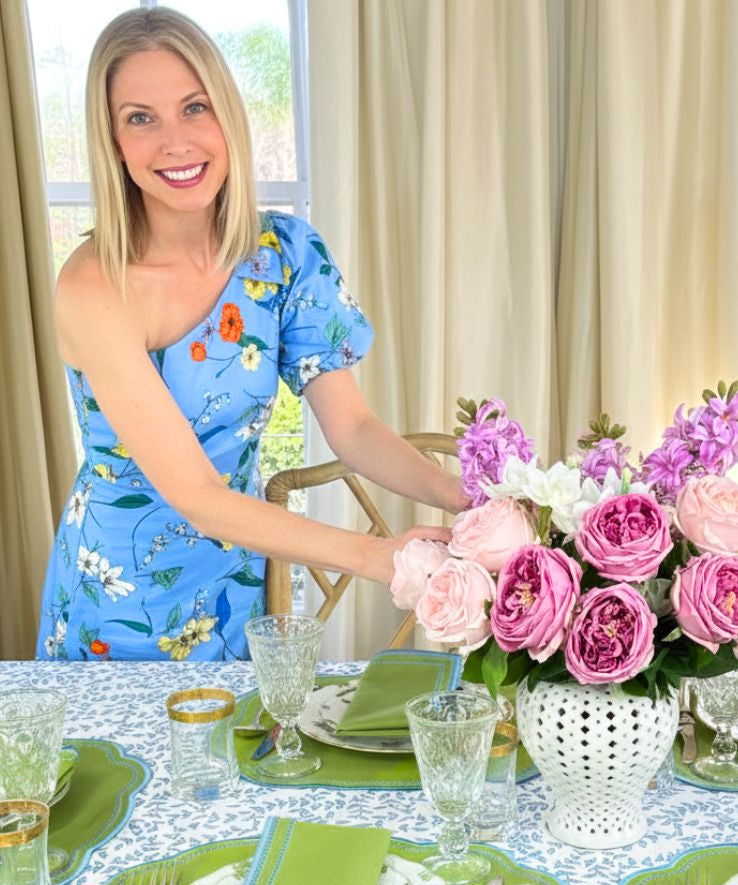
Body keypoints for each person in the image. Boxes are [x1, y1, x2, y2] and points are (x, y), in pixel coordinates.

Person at [36, 7, 466, 662]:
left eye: (195, 107)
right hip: (114, 608)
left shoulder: (284, 254)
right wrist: (381, 558)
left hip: (238, 586)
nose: (176, 142)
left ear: (227, 117)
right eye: (141, 118)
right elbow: (197, 497)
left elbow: (352, 428)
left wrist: (469, 501)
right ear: (114, 142)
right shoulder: (94, 286)